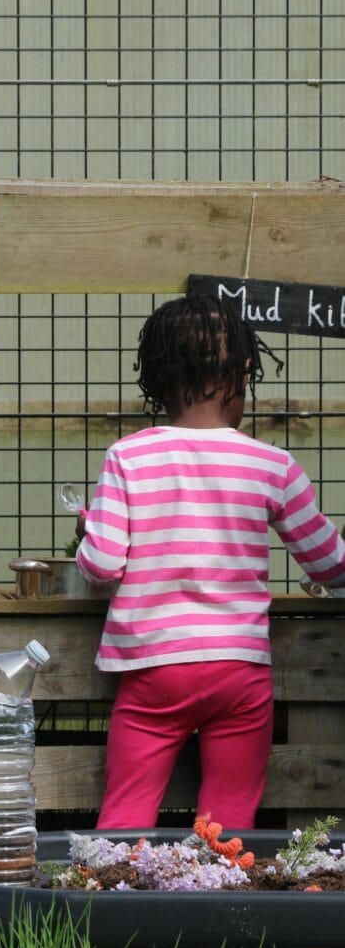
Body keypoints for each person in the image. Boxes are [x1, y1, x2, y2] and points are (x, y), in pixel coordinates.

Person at [75, 294, 345, 830]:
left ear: (156, 378)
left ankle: (111, 884)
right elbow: (331, 566)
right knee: (228, 825)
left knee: (126, 816)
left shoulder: (128, 457)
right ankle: (222, 883)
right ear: (244, 372)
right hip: (239, 671)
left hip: (153, 669)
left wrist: (89, 535)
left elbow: (102, 565)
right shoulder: (273, 465)